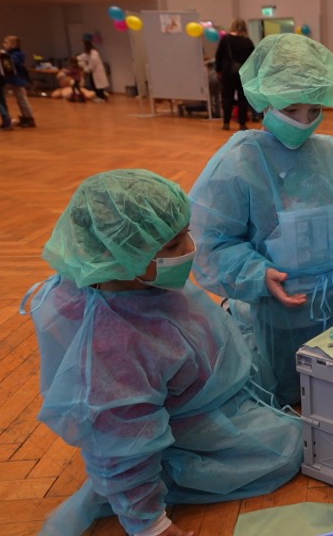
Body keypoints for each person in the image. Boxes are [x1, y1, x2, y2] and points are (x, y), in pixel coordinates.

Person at [22, 169, 303, 536]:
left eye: (186, 232)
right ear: (117, 255)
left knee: (250, 316)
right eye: (173, 246)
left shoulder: (133, 275)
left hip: (200, 378)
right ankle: (168, 471)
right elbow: (123, 435)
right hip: (189, 419)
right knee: (291, 449)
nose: (189, 248)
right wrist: (150, 523)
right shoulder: (113, 345)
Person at [189, 33, 333, 407]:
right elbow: (213, 242)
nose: (304, 123)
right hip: (271, 309)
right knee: (283, 392)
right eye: (291, 110)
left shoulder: (331, 154)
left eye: (314, 110)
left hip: (330, 304)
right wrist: (256, 273)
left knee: (328, 392)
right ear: (264, 102)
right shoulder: (240, 161)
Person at [214, 18, 255, 131]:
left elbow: (218, 56)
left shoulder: (226, 39)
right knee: (242, 98)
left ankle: (226, 123)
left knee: (227, 97)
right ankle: (242, 123)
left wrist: (218, 70)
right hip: (243, 73)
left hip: (228, 72)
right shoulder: (248, 41)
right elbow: (253, 60)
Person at [2, 35, 36, 128]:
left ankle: (29, 118)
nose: (4, 45)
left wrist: (5, 56)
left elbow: (13, 62)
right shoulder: (10, 53)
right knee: (20, 100)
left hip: (19, 80)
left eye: (6, 42)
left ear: (12, 44)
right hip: (14, 80)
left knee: (22, 100)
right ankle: (25, 117)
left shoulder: (17, 54)